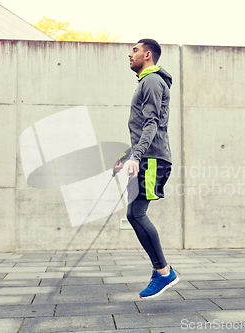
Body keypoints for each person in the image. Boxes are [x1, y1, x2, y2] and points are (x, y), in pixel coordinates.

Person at [112, 39, 179, 299]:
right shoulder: (148, 82)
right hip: (147, 157)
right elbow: (145, 128)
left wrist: (136, 156)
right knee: (133, 213)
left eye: (135, 50)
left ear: (148, 55)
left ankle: (164, 272)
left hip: (152, 159)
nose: (130, 54)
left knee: (136, 213)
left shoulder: (151, 81)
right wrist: (126, 156)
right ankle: (160, 270)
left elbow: (152, 123)